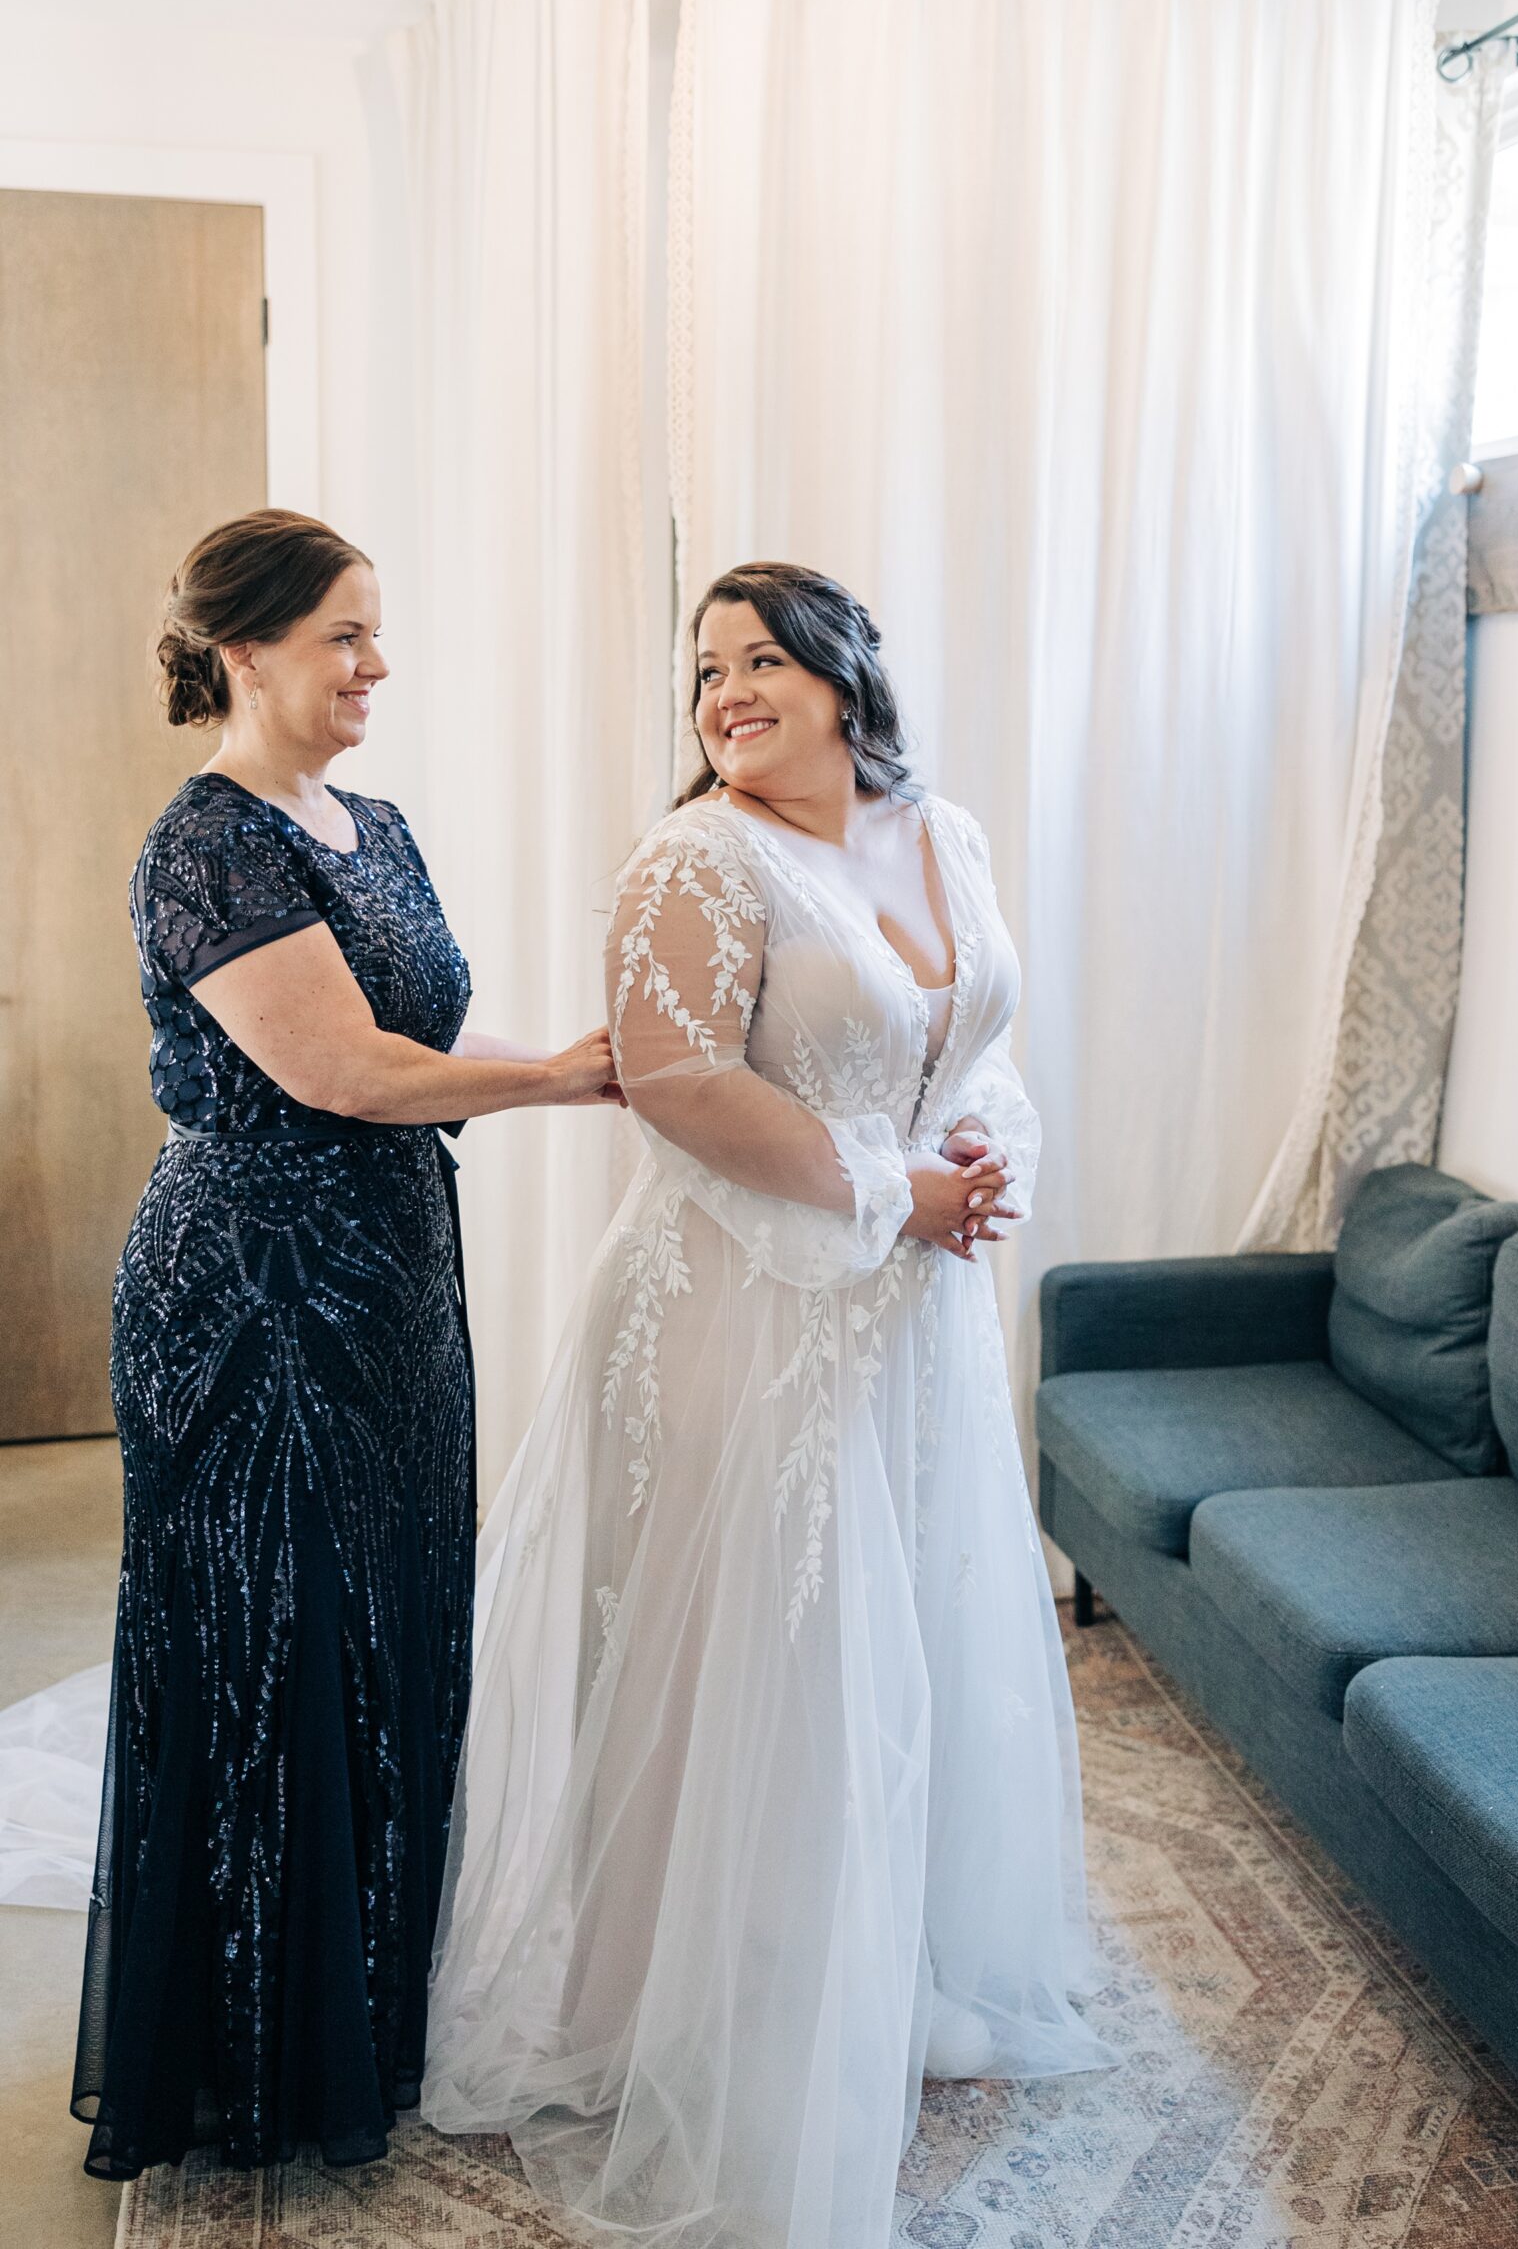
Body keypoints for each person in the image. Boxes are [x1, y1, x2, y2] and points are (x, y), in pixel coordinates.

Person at [423, 561, 1110, 2247]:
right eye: (703, 673)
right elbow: (674, 1082)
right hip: (740, 1318)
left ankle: (893, 1971)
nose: (725, 694)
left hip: (913, 1324)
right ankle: (704, 2022)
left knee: (909, 1652)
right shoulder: (696, 858)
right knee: (759, 1665)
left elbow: (978, 1037)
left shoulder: (941, 833)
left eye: (758, 662)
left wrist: (987, 1155)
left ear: (842, 674)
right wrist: (893, 1192)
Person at [74, 508, 620, 2181]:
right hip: (249, 1292)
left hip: (386, 1276)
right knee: (273, 1647)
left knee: (389, 1631)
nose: (378, 666)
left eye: (379, 634)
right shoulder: (210, 843)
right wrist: (561, 1082)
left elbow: (420, 1036)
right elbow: (342, 1073)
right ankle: (253, 2055)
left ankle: (369, 2013)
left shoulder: (370, 823)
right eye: (345, 637)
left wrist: (612, 1068)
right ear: (243, 649)